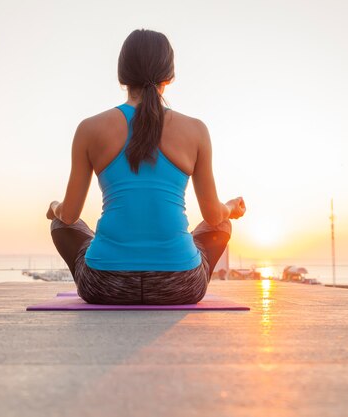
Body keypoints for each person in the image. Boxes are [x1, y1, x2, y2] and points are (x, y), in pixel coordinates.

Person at [46, 29, 246, 305]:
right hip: (180, 285)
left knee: (59, 224)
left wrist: (55, 205)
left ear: (122, 76)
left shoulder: (89, 128)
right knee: (222, 223)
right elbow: (213, 217)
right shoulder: (196, 130)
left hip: (104, 284)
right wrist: (231, 208)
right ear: (170, 76)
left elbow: (68, 216)